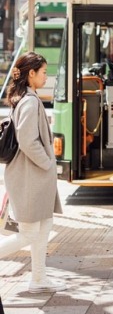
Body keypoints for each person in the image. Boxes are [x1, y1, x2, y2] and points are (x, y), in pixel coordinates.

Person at [0, 52, 66, 293]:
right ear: (31, 74)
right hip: (29, 177)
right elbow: (27, 140)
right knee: (28, 234)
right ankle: (38, 279)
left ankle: (38, 279)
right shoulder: (29, 101)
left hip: (34, 178)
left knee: (44, 227)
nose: (46, 77)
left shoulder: (28, 98)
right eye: (44, 72)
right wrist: (48, 162)